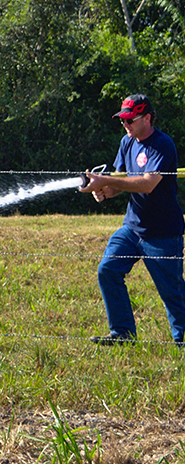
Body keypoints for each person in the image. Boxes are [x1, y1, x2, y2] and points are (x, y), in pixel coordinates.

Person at [79, 94, 185, 345]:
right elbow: (120, 181)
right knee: (108, 271)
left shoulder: (163, 144)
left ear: (147, 118)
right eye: (122, 120)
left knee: (172, 292)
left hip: (163, 232)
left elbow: (147, 184)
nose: (125, 125)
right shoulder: (127, 143)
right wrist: (103, 190)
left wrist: (108, 182)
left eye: (130, 119)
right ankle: (123, 334)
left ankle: (183, 341)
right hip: (132, 228)